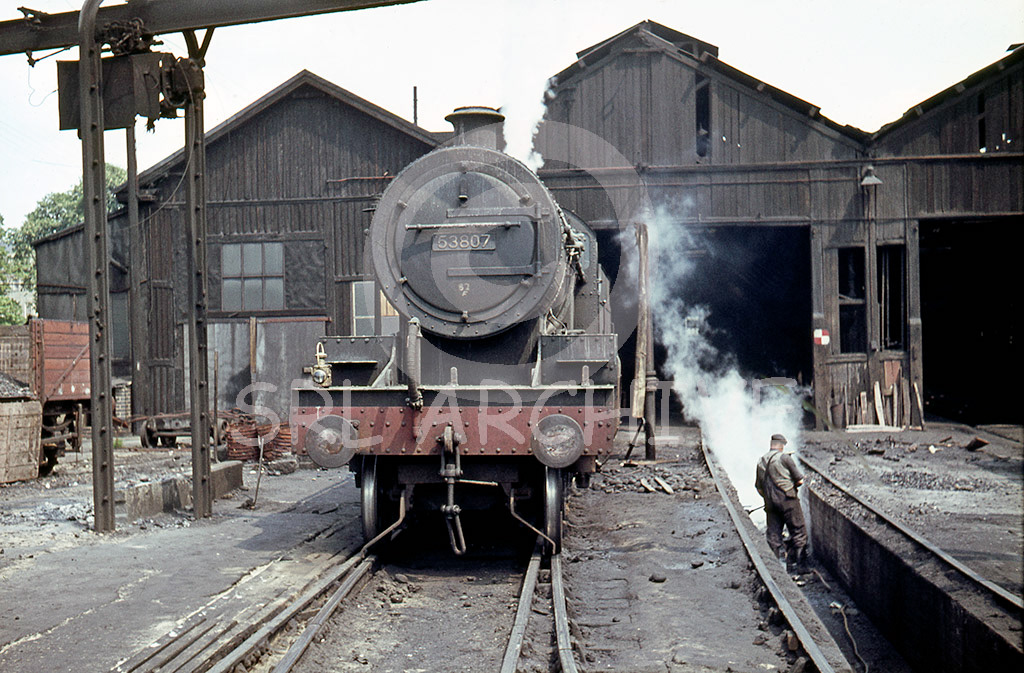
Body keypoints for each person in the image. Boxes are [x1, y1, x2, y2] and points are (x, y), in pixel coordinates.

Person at [755, 433, 808, 572]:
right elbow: (799, 480)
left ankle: (774, 569)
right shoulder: (785, 458)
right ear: (782, 446)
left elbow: (759, 487)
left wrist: (769, 497)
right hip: (788, 500)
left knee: (773, 535)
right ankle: (800, 566)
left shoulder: (761, 461)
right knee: (798, 531)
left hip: (770, 503)